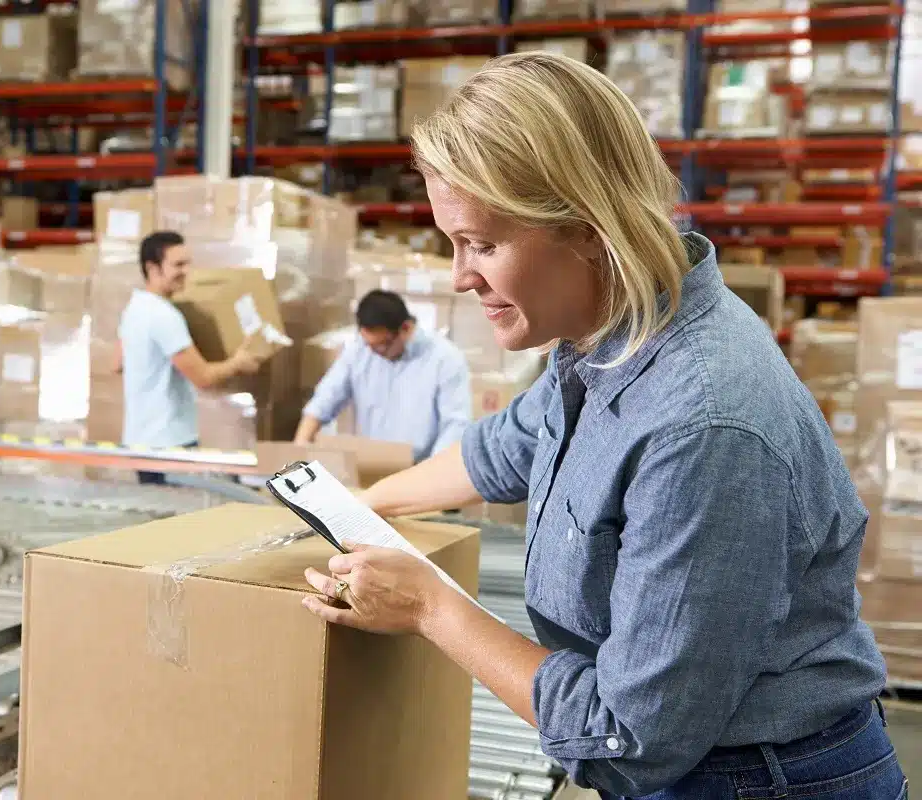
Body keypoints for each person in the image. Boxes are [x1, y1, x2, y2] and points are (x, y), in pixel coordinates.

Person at [299, 52, 906, 800]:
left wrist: (428, 604)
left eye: (483, 244)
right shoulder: (610, 335)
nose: (460, 276)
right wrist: (358, 510)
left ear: (588, 229)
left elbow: (629, 737)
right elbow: (502, 448)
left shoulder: (703, 425)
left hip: (756, 781)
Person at [119, 231, 261, 485]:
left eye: (187, 263)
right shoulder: (164, 316)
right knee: (178, 519)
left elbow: (117, 364)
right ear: (153, 268)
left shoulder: (135, 308)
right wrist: (238, 363)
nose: (186, 271)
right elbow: (203, 378)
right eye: (178, 265)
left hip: (141, 440)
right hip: (168, 444)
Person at [292, 289, 471, 463]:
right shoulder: (359, 351)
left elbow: (455, 426)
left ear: (406, 329)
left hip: (421, 468)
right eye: (369, 344)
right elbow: (324, 401)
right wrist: (299, 452)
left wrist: (431, 476)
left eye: (382, 345)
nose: (375, 352)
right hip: (369, 465)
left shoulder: (446, 359)